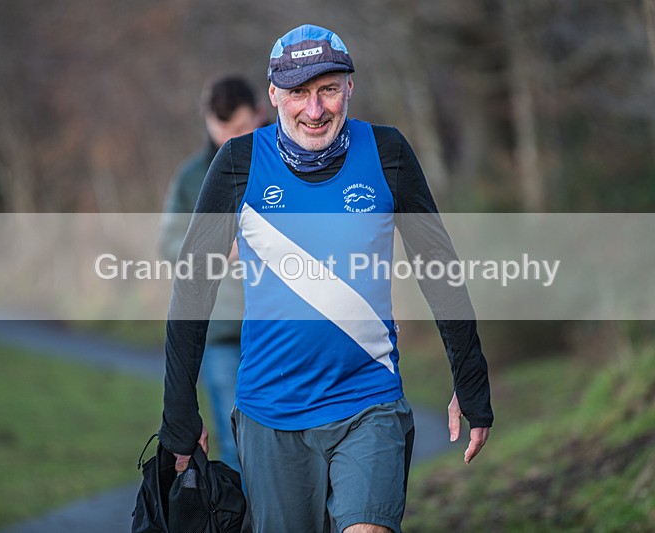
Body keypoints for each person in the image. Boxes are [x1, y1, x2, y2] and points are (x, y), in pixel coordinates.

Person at [159, 24, 493, 533]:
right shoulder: (239, 163)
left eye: (327, 90)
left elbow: (438, 266)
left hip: (369, 402)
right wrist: (178, 412)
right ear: (273, 95)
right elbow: (193, 289)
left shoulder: (387, 153)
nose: (314, 110)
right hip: (270, 414)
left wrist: (470, 381)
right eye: (298, 93)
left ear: (349, 88)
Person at [158, 75, 264, 473]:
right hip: (221, 333)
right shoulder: (190, 178)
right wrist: (218, 251)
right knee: (237, 445)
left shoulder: (285, 161)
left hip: (280, 326)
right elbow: (170, 245)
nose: (229, 140)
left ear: (260, 113)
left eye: (239, 130)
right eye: (221, 131)